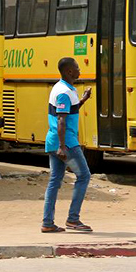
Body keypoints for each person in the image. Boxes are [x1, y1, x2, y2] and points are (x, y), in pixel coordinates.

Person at [41, 57, 94, 233]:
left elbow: (68, 111)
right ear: (69, 72)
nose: (80, 71)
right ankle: (73, 219)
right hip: (66, 143)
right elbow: (61, 120)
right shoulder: (64, 91)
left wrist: (83, 100)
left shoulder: (62, 88)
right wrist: (63, 147)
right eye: (77, 68)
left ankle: (47, 223)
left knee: (54, 181)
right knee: (84, 176)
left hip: (53, 141)